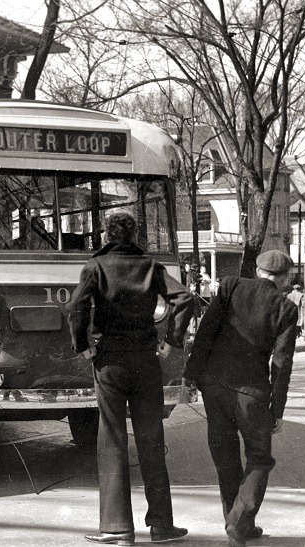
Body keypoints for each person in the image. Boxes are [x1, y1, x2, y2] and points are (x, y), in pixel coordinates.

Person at [68, 211, 194, 545]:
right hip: (146, 360)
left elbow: (77, 307)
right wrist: (172, 342)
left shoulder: (96, 267)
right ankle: (162, 526)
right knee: (152, 440)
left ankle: (117, 528)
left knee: (111, 438)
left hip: (109, 360)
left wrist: (83, 346)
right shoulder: (152, 266)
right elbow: (183, 299)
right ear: (136, 233)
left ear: (106, 234)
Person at [183, 250, 298, 547]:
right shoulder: (285, 307)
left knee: (225, 455)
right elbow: (281, 363)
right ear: (285, 277)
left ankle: (238, 522)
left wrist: (191, 375)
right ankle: (239, 521)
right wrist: (278, 409)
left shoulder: (230, 286)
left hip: (214, 386)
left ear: (258, 271)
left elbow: (205, 332)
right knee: (259, 457)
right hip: (253, 392)